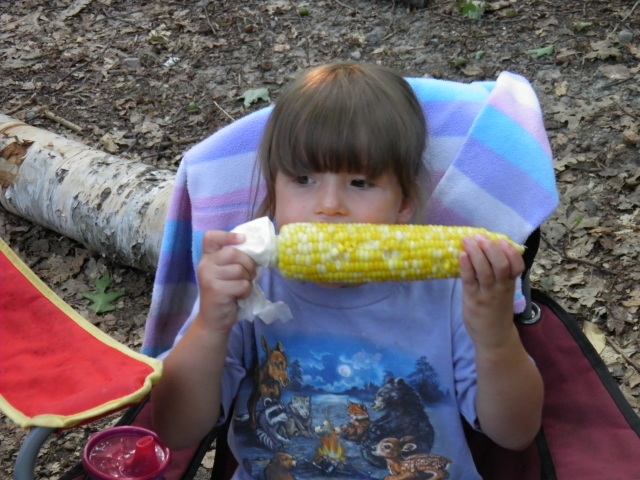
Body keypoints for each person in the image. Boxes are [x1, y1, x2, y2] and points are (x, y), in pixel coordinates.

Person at [152, 62, 543, 479]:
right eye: (303, 179)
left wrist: (495, 336)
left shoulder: (451, 291)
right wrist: (210, 325)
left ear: (405, 202)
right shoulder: (247, 288)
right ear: (273, 191)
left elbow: (515, 433)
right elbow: (176, 430)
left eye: (360, 183)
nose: (329, 206)